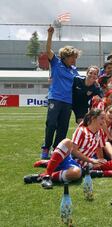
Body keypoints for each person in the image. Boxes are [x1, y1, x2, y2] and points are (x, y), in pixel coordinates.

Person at [24, 109, 107, 189]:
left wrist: (100, 160)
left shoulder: (100, 133)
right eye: (102, 118)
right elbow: (74, 151)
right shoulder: (82, 130)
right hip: (68, 159)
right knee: (67, 142)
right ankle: (46, 176)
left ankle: (44, 171)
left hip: (78, 166)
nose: (104, 121)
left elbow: (99, 149)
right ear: (93, 118)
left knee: (76, 173)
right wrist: (91, 160)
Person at [40, 25, 81, 159]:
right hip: (55, 98)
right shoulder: (56, 62)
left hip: (68, 101)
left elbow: (79, 84)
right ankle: (46, 147)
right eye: (72, 57)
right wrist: (50, 35)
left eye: (75, 58)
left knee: (63, 128)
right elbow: (47, 50)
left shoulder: (74, 70)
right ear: (65, 57)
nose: (74, 60)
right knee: (51, 124)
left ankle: (56, 150)